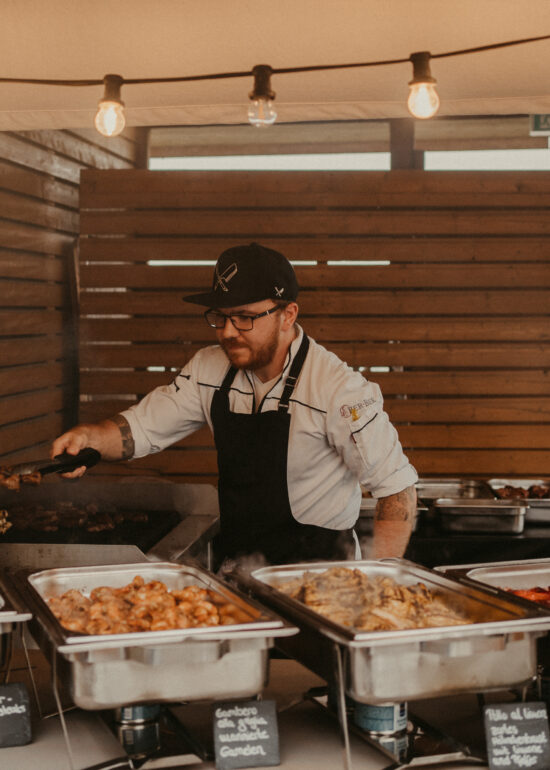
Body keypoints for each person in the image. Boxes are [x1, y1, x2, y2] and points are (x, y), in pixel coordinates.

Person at [51, 242, 418, 566]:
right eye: (221, 317)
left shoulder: (339, 390)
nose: (228, 331)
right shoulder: (207, 368)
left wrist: (377, 581)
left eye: (245, 317)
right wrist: (90, 437)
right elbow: (142, 428)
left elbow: (396, 489)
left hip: (321, 580)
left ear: (288, 315)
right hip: (239, 576)